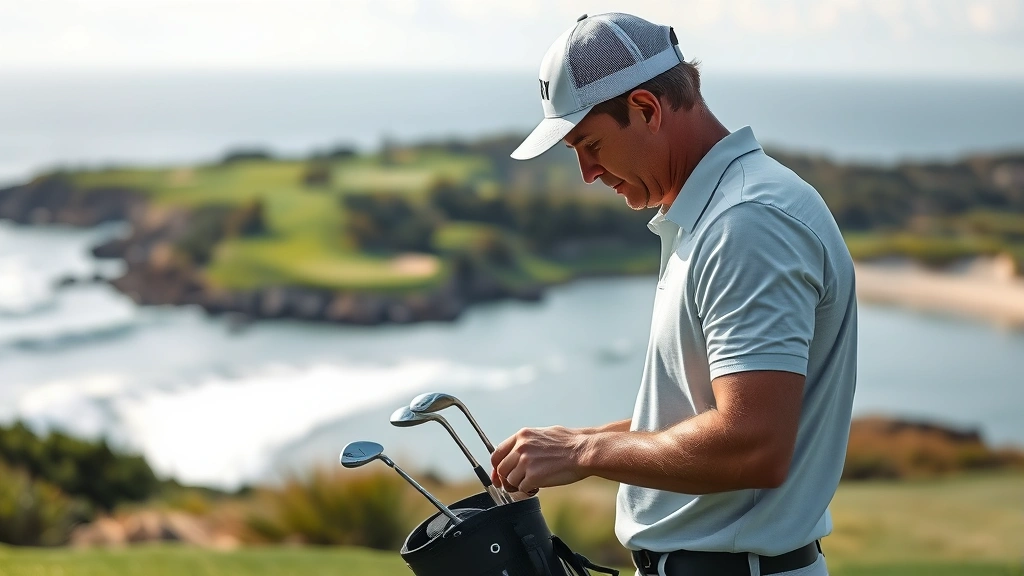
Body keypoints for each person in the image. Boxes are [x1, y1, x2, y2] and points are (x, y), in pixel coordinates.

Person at [490, 12, 857, 576]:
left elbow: (753, 443)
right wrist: (579, 439)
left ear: (646, 109)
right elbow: (702, 415)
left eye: (589, 143)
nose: (587, 172)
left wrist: (585, 454)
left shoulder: (748, 224)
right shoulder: (714, 215)